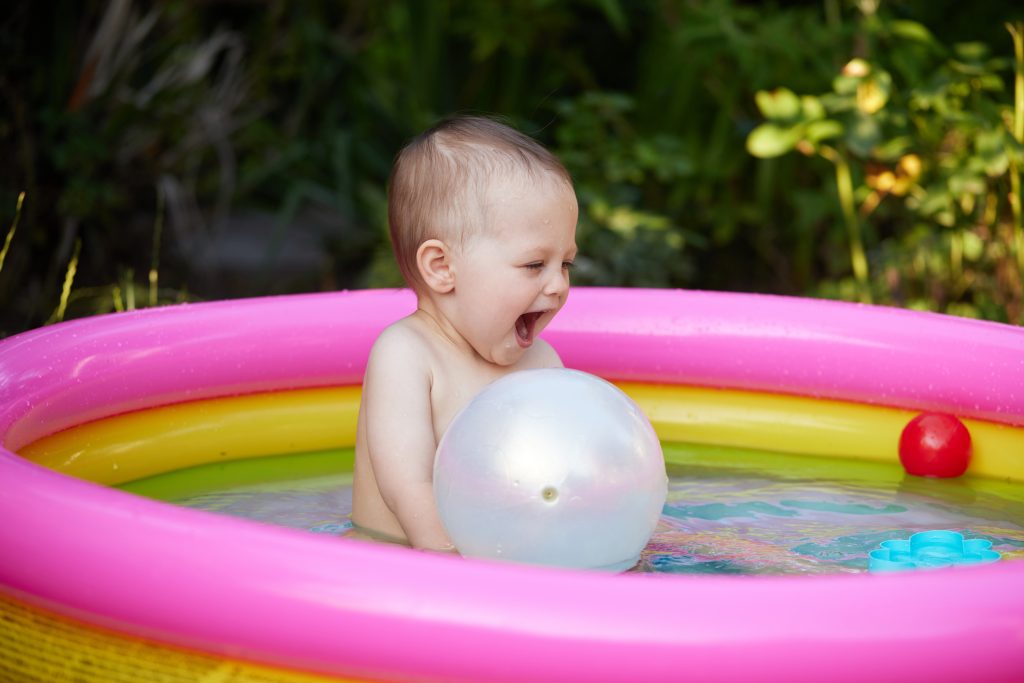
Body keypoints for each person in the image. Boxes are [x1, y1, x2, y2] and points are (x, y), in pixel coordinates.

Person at [350, 115, 579, 551]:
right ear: (442, 268)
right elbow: (408, 488)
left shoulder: (543, 365)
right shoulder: (408, 355)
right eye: (535, 265)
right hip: (397, 564)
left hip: (499, 560)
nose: (558, 285)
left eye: (565, 263)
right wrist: (462, 571)